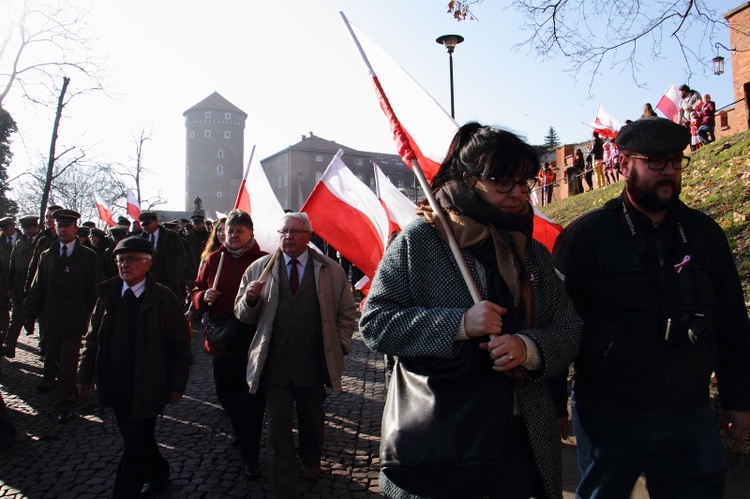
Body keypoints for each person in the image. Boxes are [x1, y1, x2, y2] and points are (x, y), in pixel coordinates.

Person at [360, 123, 582, 499]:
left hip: (519, 435)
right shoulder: (420, 241)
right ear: (469, 179)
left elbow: (569, 327)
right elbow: (376, 323)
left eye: (525, 183)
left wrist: (528, 349)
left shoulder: (530, 253)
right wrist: (458, 325)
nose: (518, 194)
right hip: (442, 438)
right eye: (502, 182)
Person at [552, 116, 750, 498]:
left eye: (676, 161)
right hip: (609, 413)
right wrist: (554, 403)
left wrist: (738, 399)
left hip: (689, 414)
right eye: (655, 162)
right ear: (624, 165)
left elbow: (732, 323)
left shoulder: (703, 234)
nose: (669, 172)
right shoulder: (587, 235)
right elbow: (557, 324)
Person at [235, 212, 357, 499]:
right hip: (274, 365)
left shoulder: (330, 270)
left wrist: (341, 343)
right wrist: (250, 299)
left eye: (295, 232)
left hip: (314, 363)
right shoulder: (259, 269)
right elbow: (240, 313)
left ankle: (311, 458)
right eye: (284, 231)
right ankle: (284, 487)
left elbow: (346, 312)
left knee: (312, 419)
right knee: (278, 426)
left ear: (308, 236)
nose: (288, 236)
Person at [77, 237, 193, 498]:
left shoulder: (163, 298)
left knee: (135, 445)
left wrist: (177, 383)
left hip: (148, 384)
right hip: (115, 384)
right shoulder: (108, 296)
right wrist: (84, 375)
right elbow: (92, 339)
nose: (124, 265)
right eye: (120, 260)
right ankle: (158, 471)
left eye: (131, 259)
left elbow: (180, 345)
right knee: (136, 438)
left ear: (148, 264)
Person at [189, 210, 267, 480]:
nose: (233, 235)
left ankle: (250, 455)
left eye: (239, 231)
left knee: (252, 403)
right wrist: (202, 297)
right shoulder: (214, 259)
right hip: (221, 339)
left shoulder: (262, 260)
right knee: (225, 395)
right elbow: (196, 290)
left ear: (251, 233)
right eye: (230, 231)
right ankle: (238, 425)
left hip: (251, 341)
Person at [23, 209, 103, 423]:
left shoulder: (88, 256)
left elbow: (96, 290)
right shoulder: (47, 255)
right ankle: (75, 385)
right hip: (51, 320)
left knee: (68, 361)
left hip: (75, 320)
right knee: (57, 358)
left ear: (75, 229)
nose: (63, 230)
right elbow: (37, 286)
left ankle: (65, 403)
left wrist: (93, 318)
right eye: (59, 226)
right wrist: (28, 314)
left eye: (67, 226)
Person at [1, 215, 41, 358]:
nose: (28, 231)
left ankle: (44, 348)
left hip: (36, 288)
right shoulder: (20, 242)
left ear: (36, 226)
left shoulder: (44, 242)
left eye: (30, 227)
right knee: (16, 318)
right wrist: (10, 286)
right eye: (25, 228)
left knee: (41, 320)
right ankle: (10, 345)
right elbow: (12, 266)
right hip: (19, 287)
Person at [137, 211, 187, 299]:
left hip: (168, 279)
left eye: (147, 223)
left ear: (155, 222)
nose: (145, 227)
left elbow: (181, 255)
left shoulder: (170, 236)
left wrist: (175, 273)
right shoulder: (141, 239)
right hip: (148, 281)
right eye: (143, 225)